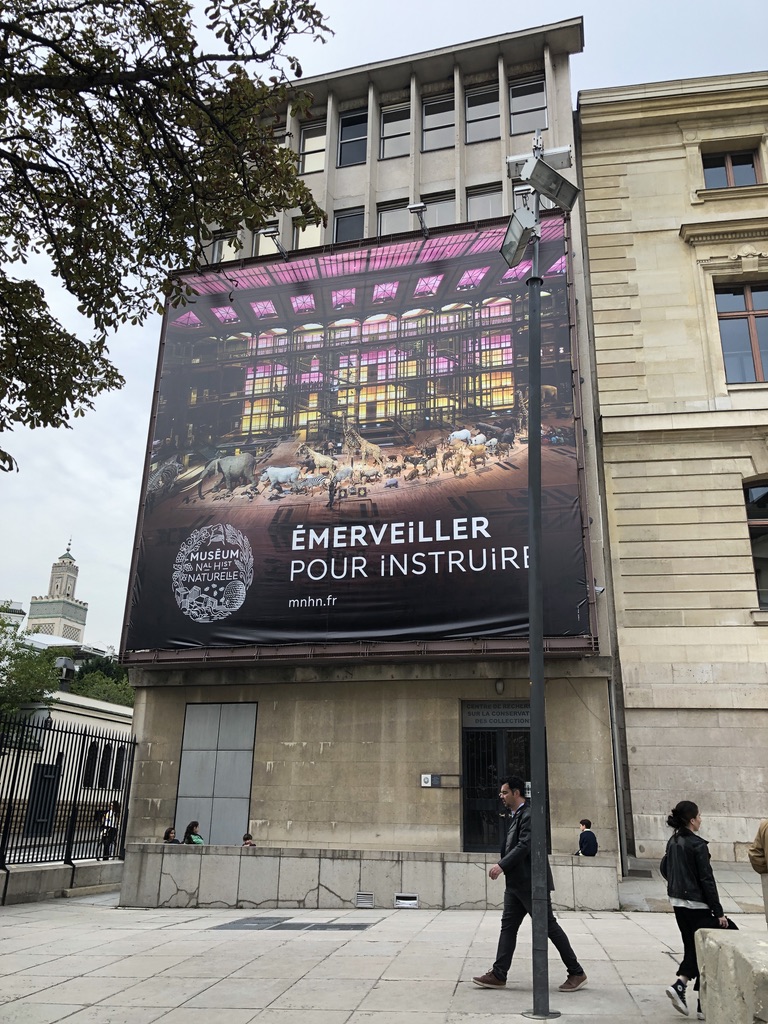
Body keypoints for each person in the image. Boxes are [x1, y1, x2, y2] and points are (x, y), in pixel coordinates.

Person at [472, 776, 588, 993]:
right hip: (516, 884)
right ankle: (499, 974)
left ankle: (576, 972)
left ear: (517, 793)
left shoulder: (529, 814)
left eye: (505, 792)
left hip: (531, 882)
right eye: (501, 793)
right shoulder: (516, 815)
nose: (501, 796)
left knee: (549, 927)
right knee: (508, 928)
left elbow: (525, 845)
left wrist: (502, 865)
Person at [662, 800, 736, 1020]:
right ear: (692, 820)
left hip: (678, 903)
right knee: (729, 932)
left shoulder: (673, 841)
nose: (701, 819)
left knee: (694, 948)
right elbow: (707, 879)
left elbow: (665, 868)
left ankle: (702, 1003)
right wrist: (718, 912)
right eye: (699, 816)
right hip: (697, 904)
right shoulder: (697, 844)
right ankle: (681, 985)